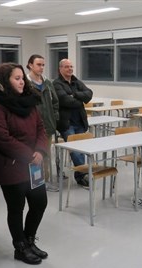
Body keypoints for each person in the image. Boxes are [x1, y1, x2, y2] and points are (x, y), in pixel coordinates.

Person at [0, 63, 49, 265]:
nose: (22, 82)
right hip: (11, 165)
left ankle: (29, 240)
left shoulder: (28, 102)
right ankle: (20, 247)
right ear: (6, 81)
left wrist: (39, 151)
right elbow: (2, 138)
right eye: (16, 78)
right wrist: (29, 154)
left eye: (22, 78)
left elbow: (41, 128)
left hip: (34, 163)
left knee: (40, 203)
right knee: (16, 208)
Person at [53, 58, 93, 188]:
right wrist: (79, 99)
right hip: (66, 124)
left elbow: (89, 94)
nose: (70, 69)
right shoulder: (57, 84)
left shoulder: (76, 81)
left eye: (71, 67)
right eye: (66, 67)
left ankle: (80, 176)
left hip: (80, 121)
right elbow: (65, 101)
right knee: (75, 151)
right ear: (60, 69)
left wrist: (74, 95)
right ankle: (85, 173)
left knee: (82, 149)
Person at [27, 54, 60, 192]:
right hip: (31, 128)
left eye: (43, 65)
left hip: (47, 126)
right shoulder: (26, 84)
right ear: (30, 65)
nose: (41, 67)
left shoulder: (47, 83)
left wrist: (54, 119)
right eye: (38, 64)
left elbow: (55, 103)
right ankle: (32, 181)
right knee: (31, 155)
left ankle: (43, 181)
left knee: (45, 154)